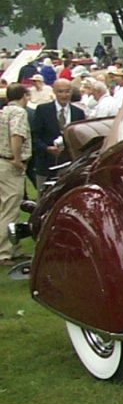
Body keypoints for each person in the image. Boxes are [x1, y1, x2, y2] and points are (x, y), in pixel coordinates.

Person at [30, 78, 85, 191]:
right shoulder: (43, 110)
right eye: (60, 91)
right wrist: (47, 148)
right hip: (46, 164)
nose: (64, 95)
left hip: (71, 166)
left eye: (67, 91)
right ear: (54, 92)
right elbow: (34, 137)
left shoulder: (78, 113)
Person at [0, 84, 31, 266]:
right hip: (10, 163)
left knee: (5, 206)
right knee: (11, 207)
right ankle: (4, 252)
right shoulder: (19, 113)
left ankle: (15, 246)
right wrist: (17, 159)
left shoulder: (3, 112)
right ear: (24, 96)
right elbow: (16, 135)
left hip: (2, 162)